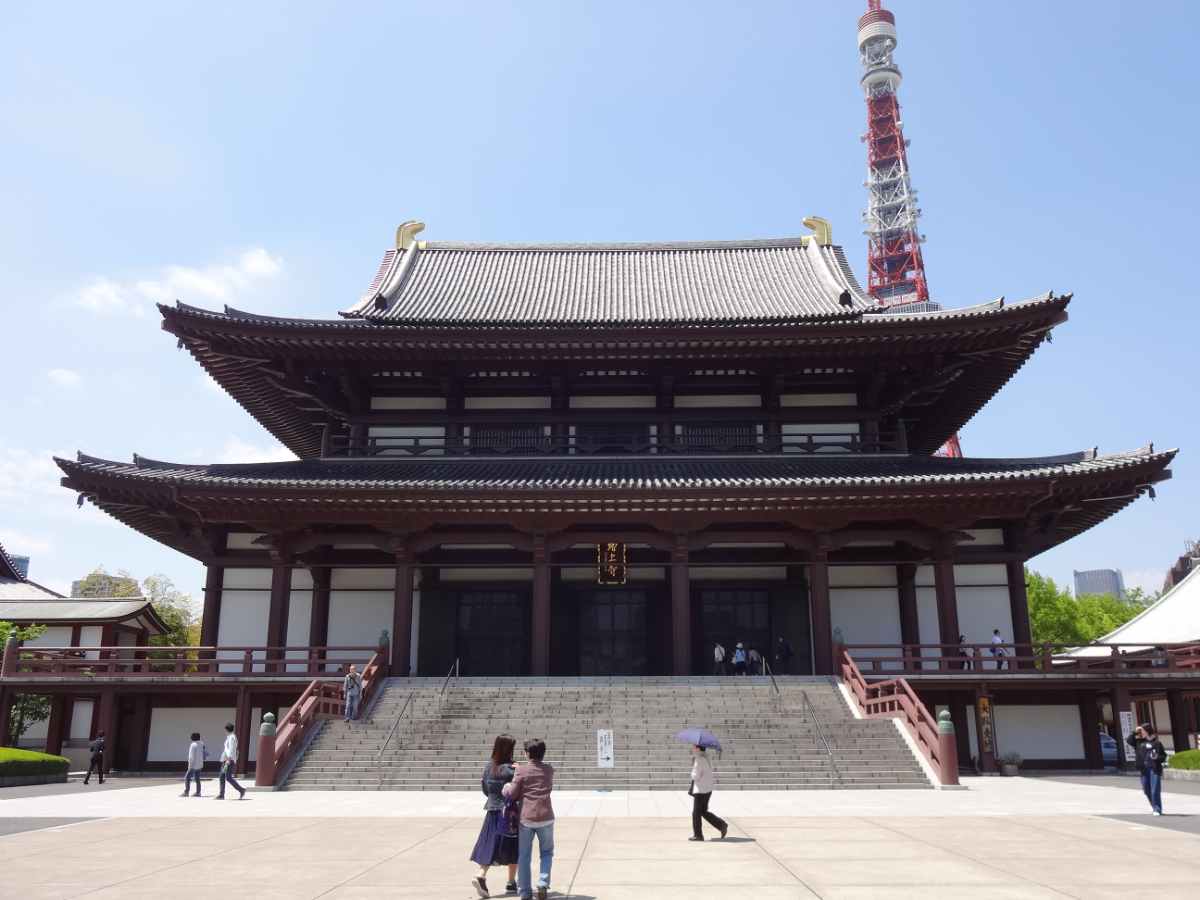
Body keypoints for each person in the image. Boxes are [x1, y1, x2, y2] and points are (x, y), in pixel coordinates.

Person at [504, 738, 555, 900]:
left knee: (524, 856)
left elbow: (513, 794)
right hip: (546, 816)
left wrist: (506, 789)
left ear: (527, 753)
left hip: (526, 817)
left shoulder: (521, 771)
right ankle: (543, 883)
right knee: (546, 852)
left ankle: (525, 892)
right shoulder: (549, 769)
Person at [470, 734, 520, 898]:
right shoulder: (513, 768)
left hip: (492, 810)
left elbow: (485, 789)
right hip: (509, 812)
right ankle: (510, 882)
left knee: (490, 843)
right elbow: (517, 791)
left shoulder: (488, 767)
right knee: (513, 845)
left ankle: (482, 875)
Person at [687, 743, 728, 841]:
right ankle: (721, 825)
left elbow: (696, 776)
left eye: (694, 746)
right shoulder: (707, 757)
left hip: (701, 789)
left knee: (696, 812)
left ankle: (698, 835)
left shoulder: (699, 759)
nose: (693, 747)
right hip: (708, 788)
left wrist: (692, 772)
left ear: (698, 748)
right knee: (703, 811)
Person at [1127, 723, 1166, 815]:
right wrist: (1135, 732)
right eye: (1141, 731)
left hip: (1154, 768)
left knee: (1155, 789)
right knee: (1146, 789)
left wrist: (1157, 758)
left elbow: (1163, 756)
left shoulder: (1157, 743)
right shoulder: (1139, 742)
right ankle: (1153, 805)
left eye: (1143, 731)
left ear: (1148, 731)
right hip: (1143, 769)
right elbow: (1129, 740)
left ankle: (1157, 809)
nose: (1142, 732)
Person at [215, 722, 246, 800]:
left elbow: (231, 749)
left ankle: (241, 789)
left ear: (226, 729)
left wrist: (229, 759)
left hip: (228, 760)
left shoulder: (231, 738)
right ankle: (221, 793)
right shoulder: (230, 737)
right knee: (222, 776)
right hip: (226, 759)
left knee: (228, 777)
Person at [182, 731, 206, 797]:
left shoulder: (193, 745)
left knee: (187, 777)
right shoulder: (201, 744)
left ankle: (186, 792)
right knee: (197, 778)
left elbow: (191, 756)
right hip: (200, 763)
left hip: (194, 764)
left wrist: (190, 764)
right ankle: (198, 792)